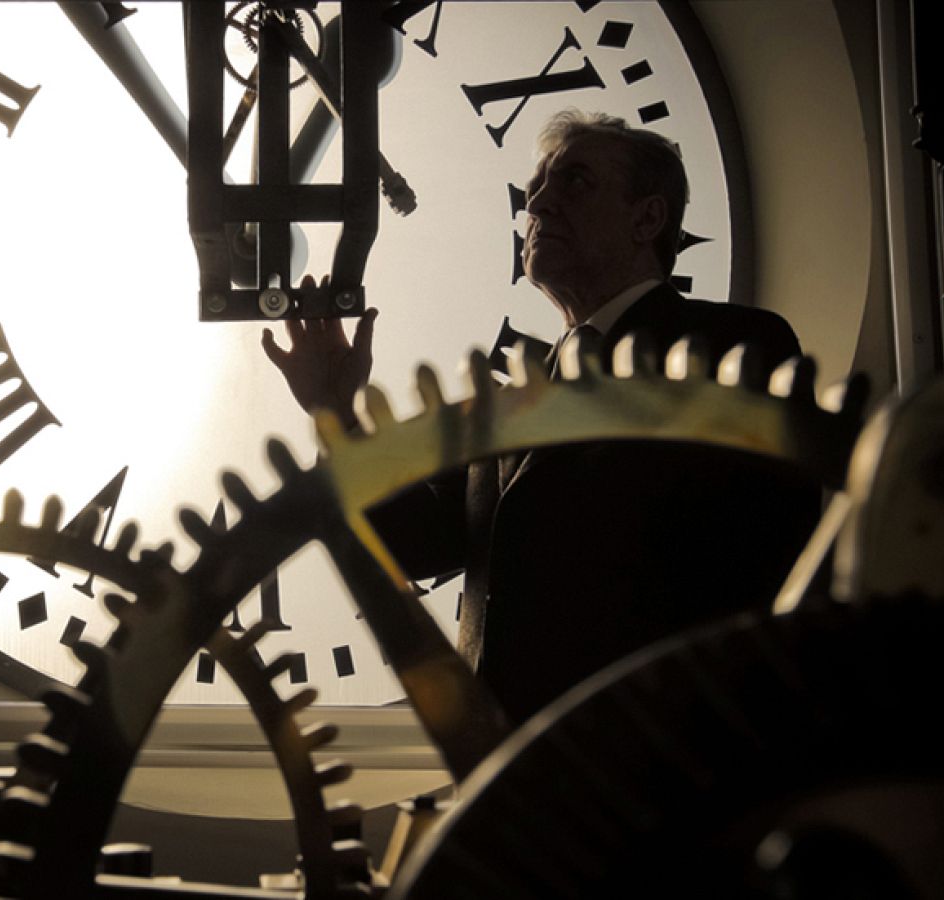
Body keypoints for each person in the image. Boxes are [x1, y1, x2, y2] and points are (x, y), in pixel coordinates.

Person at [263, 110, 819, 722]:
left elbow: (764, 564)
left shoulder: (734, 346)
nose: (539, 203)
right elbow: (409, 545)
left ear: (648, 218)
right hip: (515, 781)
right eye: (536, 188)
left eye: (574, 182)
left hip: (666, 768)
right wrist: (335, 414)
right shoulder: (511, 404)